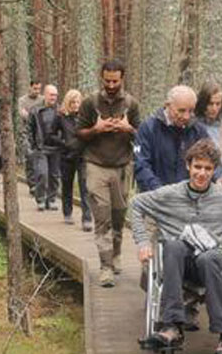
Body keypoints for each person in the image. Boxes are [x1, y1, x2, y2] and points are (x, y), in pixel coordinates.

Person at [129, 139, 222, 354]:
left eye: (208, 169)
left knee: (208, 259)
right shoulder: (169, 194)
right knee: (172, 245)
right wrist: (142, 243)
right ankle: (171, 325)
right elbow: (136, 204)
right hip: (182, 262)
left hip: (216, 259)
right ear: (188, 166)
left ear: (214, 170)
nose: (202, 173)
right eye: (197, 167)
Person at [76, 59, 142, 288]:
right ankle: (105, 267)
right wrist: (96, 129)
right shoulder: (89, 102)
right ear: (101, 78)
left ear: (122, 78)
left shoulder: (132, 104)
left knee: (118, 216)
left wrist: (128, 129)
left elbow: (142, 138)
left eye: (115, 81)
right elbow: (79, 133)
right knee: (101, 218)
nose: (111, 85)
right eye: (107, 80)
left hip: (122, 167)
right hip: (96, 166)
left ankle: (116, 253)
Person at [134, 85, 222, 193]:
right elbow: (141, 164)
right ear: (168, 105)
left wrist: (220, 178)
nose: (186, 116)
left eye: (191, 111)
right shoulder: (148, 128)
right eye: (181, 111)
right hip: (154, 197)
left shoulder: (197, 130)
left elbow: (212, 156)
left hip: (188, 198)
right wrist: (159, 191)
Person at [55, 89, 92, 231]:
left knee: (85, 187)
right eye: (73, 102)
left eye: (78, 102)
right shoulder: (60, 117)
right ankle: (67, 212)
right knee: (67, 185)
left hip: (83, 156)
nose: (76, 105)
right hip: (66, 156)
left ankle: (87, 219)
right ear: (68, 103)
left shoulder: (85, 117)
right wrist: (63, 143)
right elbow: (51, 135)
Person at [28, 84, 62, 211]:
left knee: (54, 175)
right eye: (52, 95)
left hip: (56, 148)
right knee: (42, 174)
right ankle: (41, 199)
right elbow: (29, 130)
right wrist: (31, 146)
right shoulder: (35, 110)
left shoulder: (60, 110)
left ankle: (52, 199)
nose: (54, 97)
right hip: (41, 148)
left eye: (56, 95)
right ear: (46, 95)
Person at [18, 80, 43, 196]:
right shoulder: (22, 100)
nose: (37, 91)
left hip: (40, 134)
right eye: (35, 88)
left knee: (40, 159)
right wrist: (35, 116)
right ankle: (32, 185)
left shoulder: (42, 100)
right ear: (30, 87)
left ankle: (40, 184)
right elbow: (23, 115)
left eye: (39, 89)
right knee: (29, 158)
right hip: (26, 133)